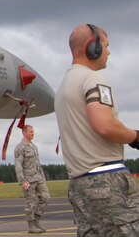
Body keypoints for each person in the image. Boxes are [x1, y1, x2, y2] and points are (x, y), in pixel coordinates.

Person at [54, 23, 139, 236]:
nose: (109, 52)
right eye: (107, 46)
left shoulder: (64, 85)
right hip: (106, 179)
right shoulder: (92, 79)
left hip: (79, 184)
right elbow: (104, 125)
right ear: (93, 48)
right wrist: (135, 137)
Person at [14, 124, 50, 233]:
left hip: (39, 178)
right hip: (28, 180)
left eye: (33, 131)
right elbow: (18, 165)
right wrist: (22, 181)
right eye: (31, 132)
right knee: (30, 202)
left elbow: (38, 164)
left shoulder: (34, 146)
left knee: (46, 197)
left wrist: (42, 178)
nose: (33, 133)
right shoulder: (20, 147)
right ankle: (31, 226)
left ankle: (37, 220)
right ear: (24, 133)